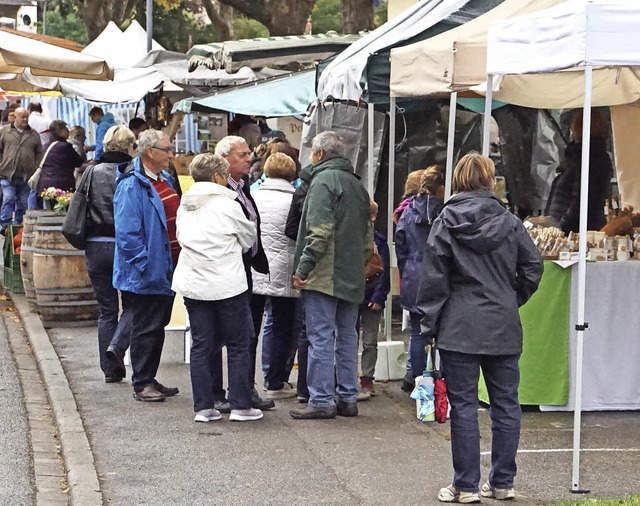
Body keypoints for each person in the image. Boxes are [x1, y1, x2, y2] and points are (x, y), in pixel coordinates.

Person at [414, 153, 543, 503]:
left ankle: (466, 484)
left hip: (459, 324)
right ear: (490, 179)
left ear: (457, 179)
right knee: (505, 404)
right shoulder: (512, 222)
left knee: (464, 407)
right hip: (501, 322)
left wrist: (429, 324)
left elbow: (434, 279)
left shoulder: (445, 221)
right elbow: (533, 269)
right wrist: (509, 298)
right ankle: (502, 481)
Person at [172, 153, 263, 422]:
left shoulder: (184, 205)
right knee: (237, 343)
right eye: (224, 175)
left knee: (201, 345)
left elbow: (180, 237)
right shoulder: (228, 205)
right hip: (227, 283)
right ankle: (241, 405)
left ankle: (204, 407)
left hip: (194, 283)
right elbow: (248, 237)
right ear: (216, 177)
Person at [289, 131, 372, 420]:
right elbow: (367, 235)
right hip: (351, 272)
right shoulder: (356, 185)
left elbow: (319, 232)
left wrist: (302, 269)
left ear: (320, 154)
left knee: (321, 337)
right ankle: (348, 397)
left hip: (325, 274)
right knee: (348, 336)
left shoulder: (323, 182)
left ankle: (322, 399)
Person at [112, 129, 180, 402]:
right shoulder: (131, 185)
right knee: (145, 326)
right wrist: (145, 263)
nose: (171, 154)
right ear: (150, 152)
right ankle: (141, 383)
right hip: (145, 270)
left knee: (158, 324)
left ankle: (149, 376)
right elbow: (127, 234)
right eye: (166, 149)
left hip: (166, 266)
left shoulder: (167, 180)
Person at [214, 135, 273, 412]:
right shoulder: (218, 190)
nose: (249, 158)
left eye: (249, 153)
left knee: (248, 332)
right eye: (242, 154)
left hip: (246, 268)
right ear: (224, 159)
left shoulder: (242, 186)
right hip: (224, 269)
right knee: (219, 333)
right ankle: (218, 393)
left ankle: (245, 389)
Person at [80, 125, 136, 383]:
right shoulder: (132, 172)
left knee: (107, 310)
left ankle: (110, 370)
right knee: (134, 305)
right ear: (129, 147)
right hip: (123, 245)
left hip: (94, 244)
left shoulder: (90, 171)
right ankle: (118, 347)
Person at [251, 152, 300, 400]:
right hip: (285, 270)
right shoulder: (296, 200)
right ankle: (275, 380)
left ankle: (247, 381)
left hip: (254, 269)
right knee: (282, 326)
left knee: (251, 328)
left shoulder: (253, 196)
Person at [395, 165, 445, 382]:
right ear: (441, 187)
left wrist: (407, 268)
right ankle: (439, 380)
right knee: (442, 332)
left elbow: (400, 244)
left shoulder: (407, 211)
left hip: (414, 274)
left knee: (417, 332)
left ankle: (417, 381)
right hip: (439, 274)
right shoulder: (446, 212)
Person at [545, 110, 613, 234]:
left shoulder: (589, 159)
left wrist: (561, 226)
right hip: (565, 227)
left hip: (573, 232)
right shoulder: (580, 157)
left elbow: (581, 201)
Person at [358, 200, 390, 397]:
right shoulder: (354, 238)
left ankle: (367, 378)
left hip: (370, 294)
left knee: (370, 341)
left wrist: (379, 296)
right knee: (351, 339)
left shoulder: (380, 240)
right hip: (355, 294)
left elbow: (384, 272)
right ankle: (352, 377)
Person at [0, 107, 42, 231]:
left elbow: (39, 152)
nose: (25, 119)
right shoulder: (5, 131)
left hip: (26, 174)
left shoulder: (33, 134)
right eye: (22, 117)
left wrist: (35, 166)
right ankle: (5, 224)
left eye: (26, 117)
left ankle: (18, 225)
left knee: (23, 202)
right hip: (6, 172)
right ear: (15, 117)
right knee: (9, 197)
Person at [36, 120, 84, 196]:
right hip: (63, 184)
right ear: (60, 131)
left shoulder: (45, 146)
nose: (68, 131)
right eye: (65, 129)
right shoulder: (65, 146)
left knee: (48, 206)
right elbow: (78, 162)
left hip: (45, 185)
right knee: (62, 206)